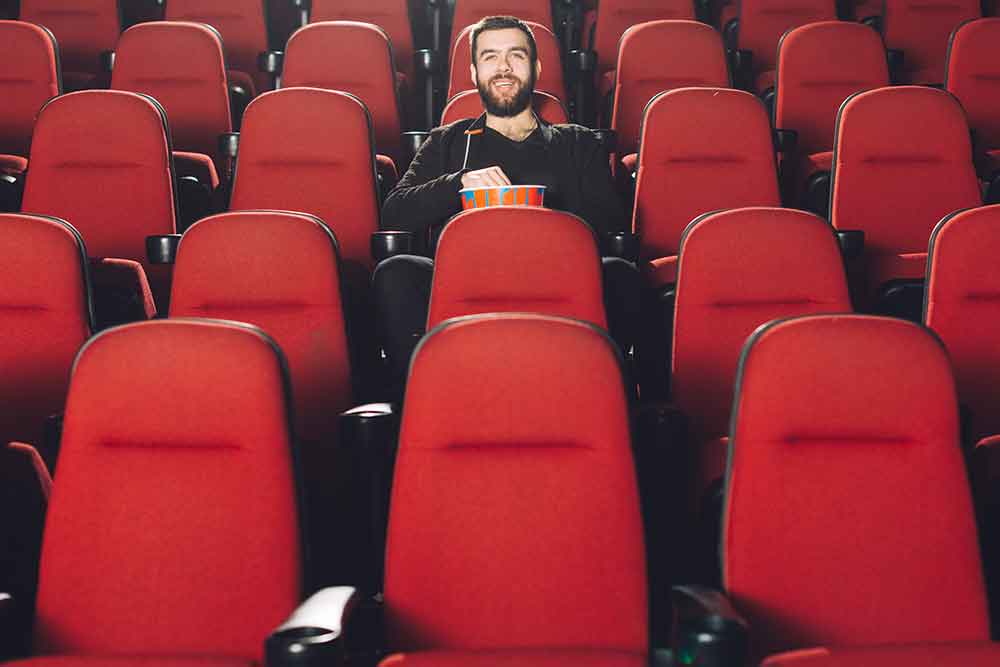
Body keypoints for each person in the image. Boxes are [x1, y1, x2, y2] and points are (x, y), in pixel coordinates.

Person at [375, 15, 638, 393]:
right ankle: (424, 399)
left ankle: (599, 398)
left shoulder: (577, 143)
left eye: (516, 56)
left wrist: (544, 220)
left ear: (536, 67)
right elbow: (394, 211)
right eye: (490, 57)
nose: (503, 68)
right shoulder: (447, 142)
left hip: (555, 278)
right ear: (473, 70)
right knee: (397, 271)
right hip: (466, 279)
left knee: (619, 272)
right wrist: (458, 185)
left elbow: (610, 224)